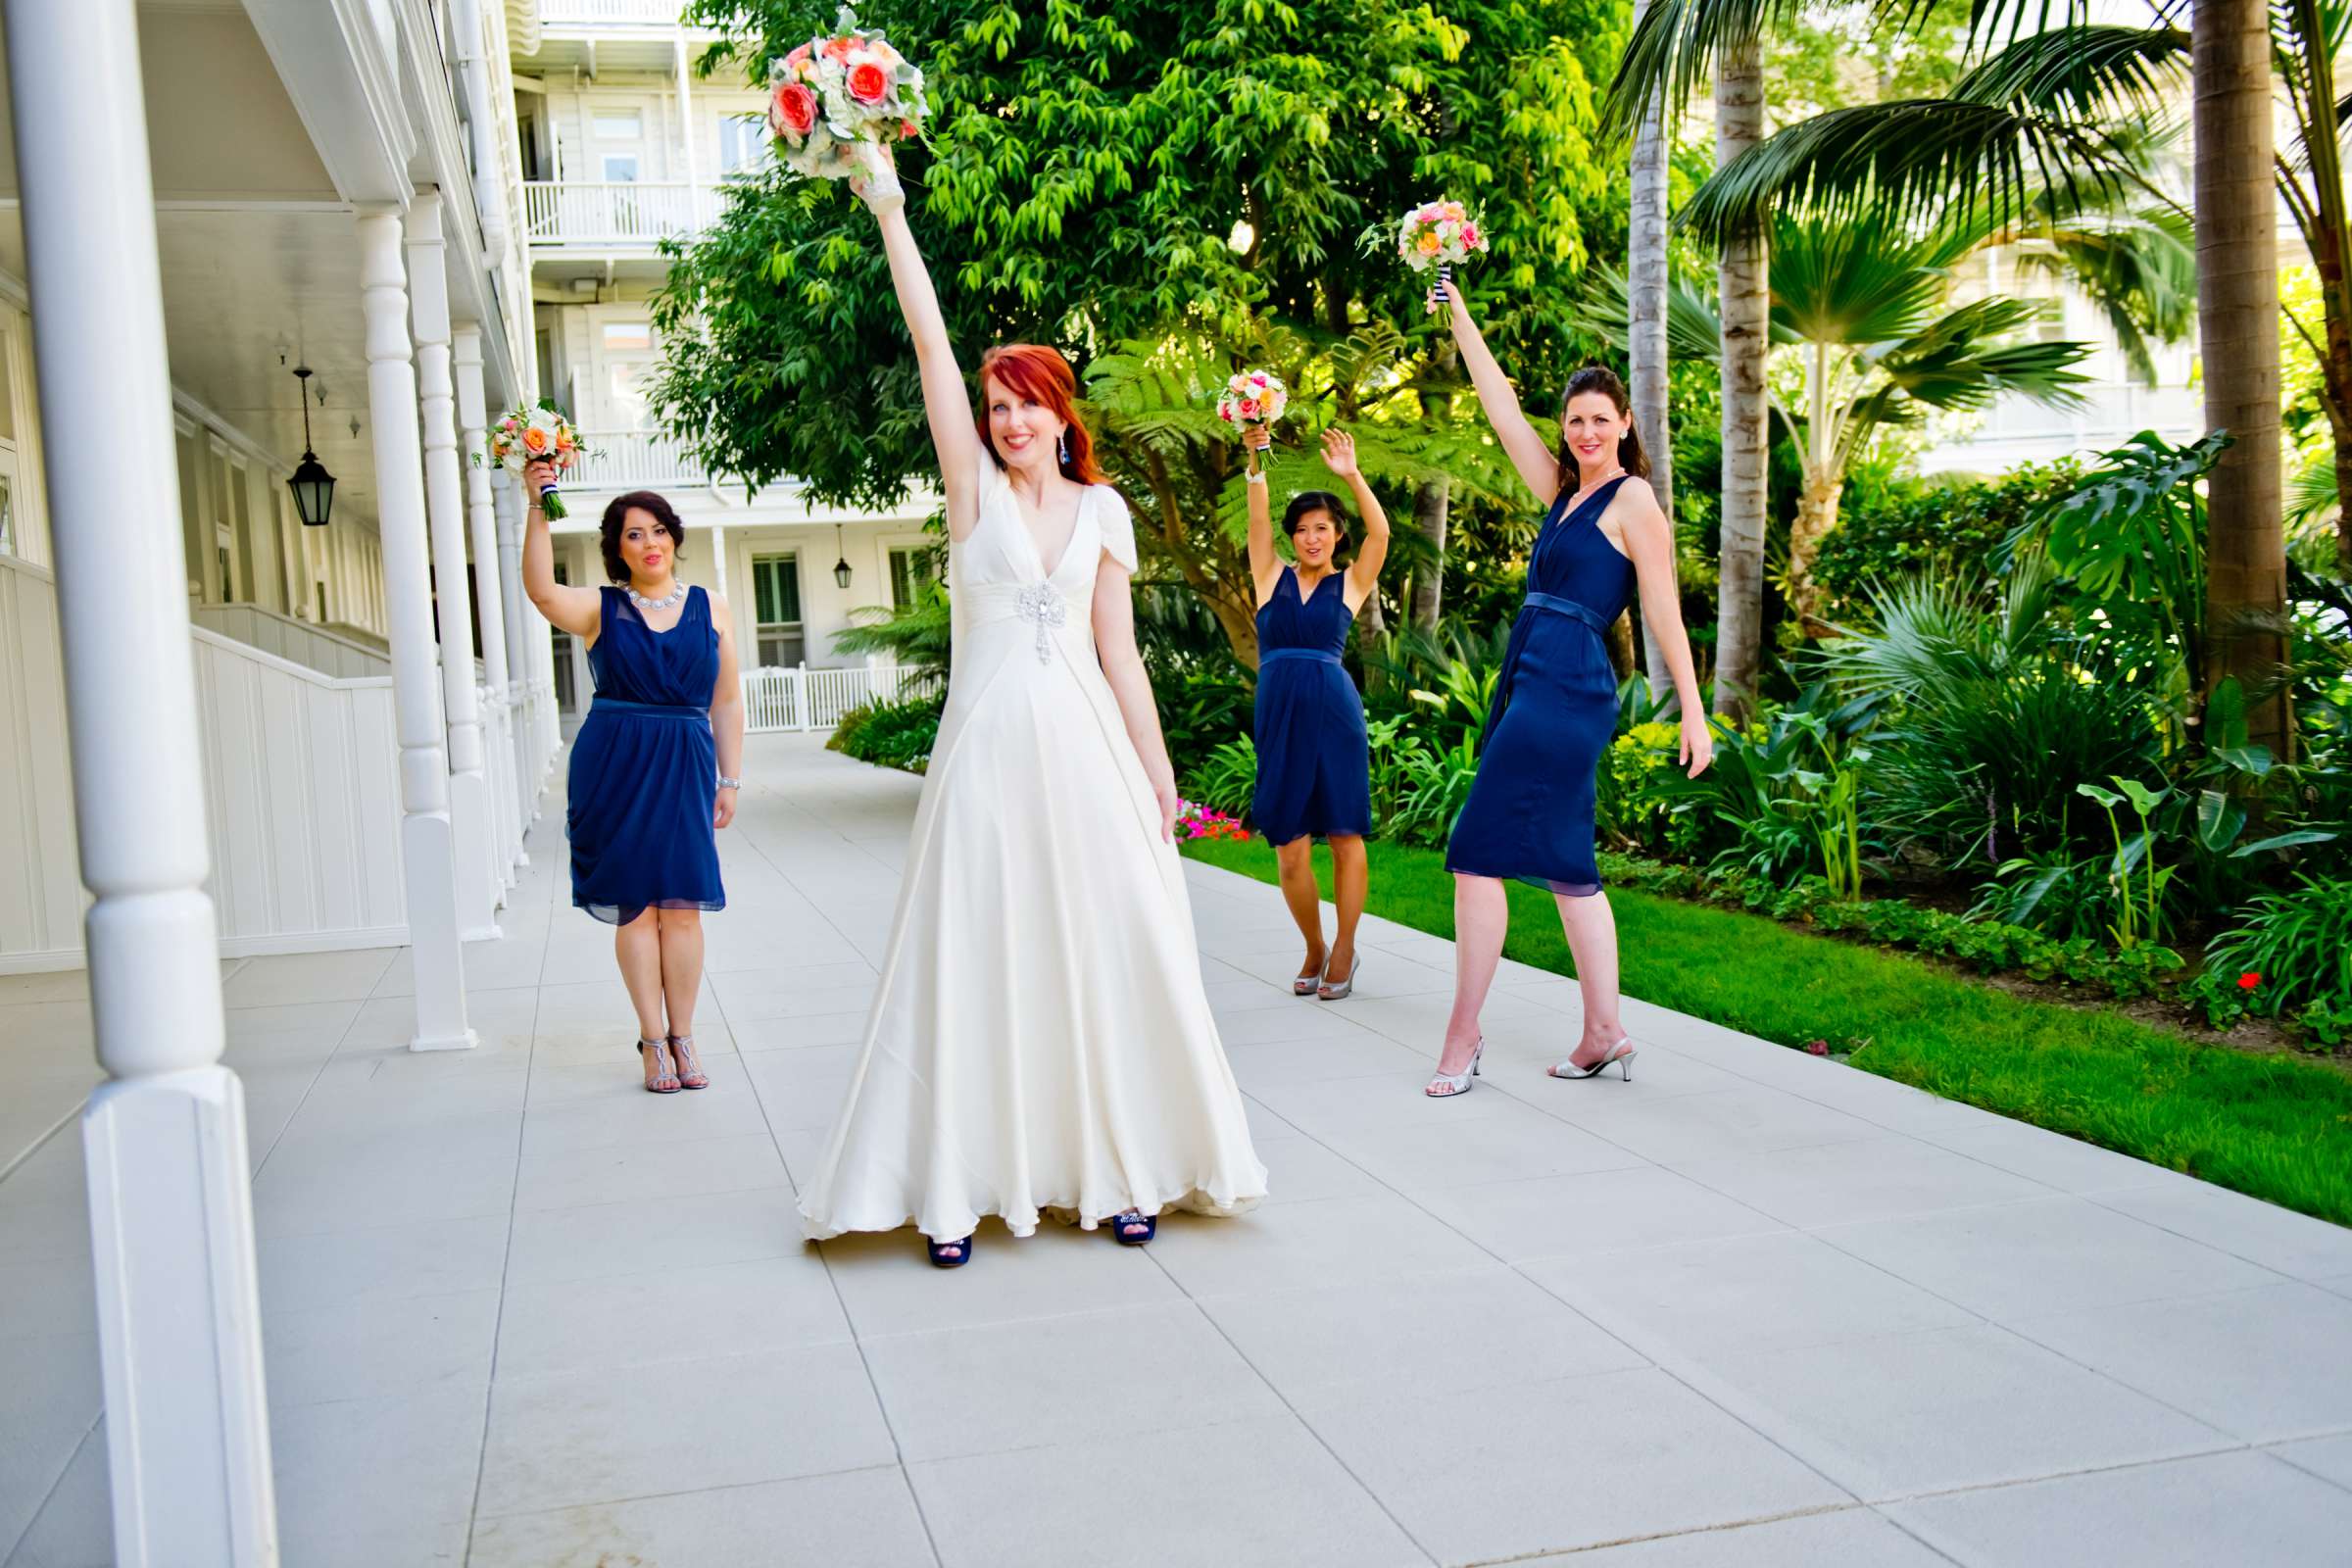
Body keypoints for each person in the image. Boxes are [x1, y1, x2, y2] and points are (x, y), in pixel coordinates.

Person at [795, 147, 1266, 1266]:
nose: (1008, 421)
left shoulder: (1104, 510)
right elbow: (927, 346)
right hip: (988, 758)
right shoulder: (972, 496)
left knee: (1108, 951)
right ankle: (958, 1188)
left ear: (1062, 413)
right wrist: (887, 203)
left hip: (1089, 757)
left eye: (1026, 405)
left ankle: (1122, 1173)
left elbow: (1125, 657)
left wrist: (1159, 779)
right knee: (978, 958)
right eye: (997, 406)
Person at [1421, 281, 1712, 1099]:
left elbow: (1663, 614)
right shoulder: (1561, 491)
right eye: (1575, 420)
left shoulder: (1633, 500)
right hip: (1534, 676)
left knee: (1477, 855)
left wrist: (1693, 709)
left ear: (1625, 425)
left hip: (1571, 686)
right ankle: (1602, 1031)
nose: (1586, 431)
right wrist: (1460, 313)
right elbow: (1497, 403)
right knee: (1566, 867)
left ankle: (1462, 1035)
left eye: (1600, 418)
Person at [522, 475, 743, 1094]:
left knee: (683, 908)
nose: (649, 543)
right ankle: (652, 1041)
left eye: (658, 531)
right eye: (633, 535)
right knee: (638, 910)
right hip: (615, 767)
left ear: (675, 538)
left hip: (686, 764)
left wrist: (731, 778)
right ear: (617, 550)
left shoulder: (712, 606)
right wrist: (537, 505)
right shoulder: (603, 608)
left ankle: (685, 1035)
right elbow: (540, 591)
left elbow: (726, 702)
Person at [1242, 424, 1391, 1000]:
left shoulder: (1350, 584)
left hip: (1334, 714)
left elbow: (1380, 532)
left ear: (1336, 536)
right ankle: (1313, 944)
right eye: (1302, 530)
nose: (1310, 538)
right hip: (1279, 714)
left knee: (1346, 834)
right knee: (1290, 845)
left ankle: (1346, 947)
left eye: (1321, 529)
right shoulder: (1267, 576)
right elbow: (1257, 520)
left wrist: (1351, 474)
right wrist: (1255, 457)